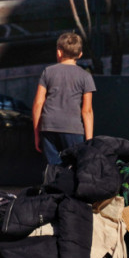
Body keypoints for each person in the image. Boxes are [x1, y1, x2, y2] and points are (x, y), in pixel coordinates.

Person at [32, 32, 96, 166]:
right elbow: (87, 111)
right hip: (73, 128)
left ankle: (53, 186)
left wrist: (37, 133)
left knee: (53, 168)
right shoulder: (85, 77)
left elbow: (38, 104)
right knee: (74, 167)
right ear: (80, 55)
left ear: (59, 52)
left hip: (48, 127)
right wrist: (89, 141)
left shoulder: (48, 72)